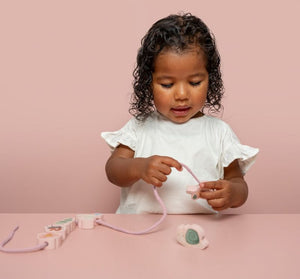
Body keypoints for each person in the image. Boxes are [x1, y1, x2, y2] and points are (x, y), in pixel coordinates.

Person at [101, 13, 259, 214]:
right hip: (141, 234)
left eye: (194, 83)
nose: (182, 95)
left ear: (210, 80)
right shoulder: (139, 127)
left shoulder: (219, 132)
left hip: (200, 235)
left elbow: (238, 182)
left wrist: (233, 193)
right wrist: (139, 167)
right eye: (167, 84)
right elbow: (113, 170)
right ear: (148, 83)